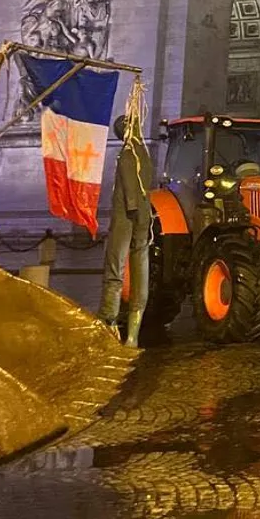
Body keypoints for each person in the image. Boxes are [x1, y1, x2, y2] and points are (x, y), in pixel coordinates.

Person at [98, 116, 154, 348]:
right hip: (144, 216)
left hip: (126, 216)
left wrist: (132, 207)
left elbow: (130, 189)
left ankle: (108, 323)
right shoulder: (144, 152)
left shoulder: (127, 154)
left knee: (115, 268)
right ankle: (133, 336)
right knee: (141, 274)